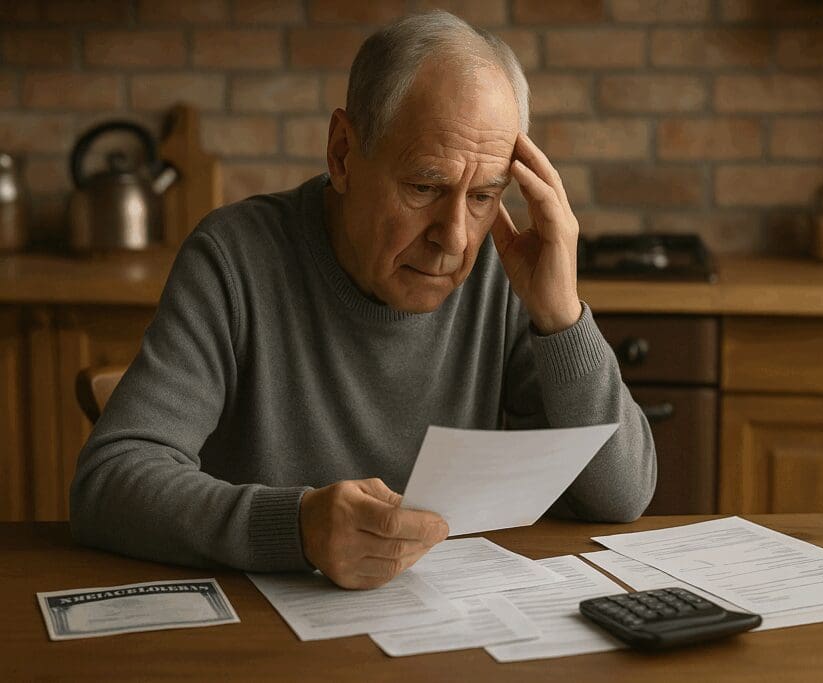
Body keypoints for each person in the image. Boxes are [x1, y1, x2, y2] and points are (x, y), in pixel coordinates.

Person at [70, 11, 656, 590]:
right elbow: (109, 482)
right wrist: (295, 527)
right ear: (343, 153)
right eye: (424, 186)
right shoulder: (235, 258)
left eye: (483, 195)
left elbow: (621, 496)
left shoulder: (504, 271)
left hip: (445, 631)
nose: (453, 238)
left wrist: (562, 319)